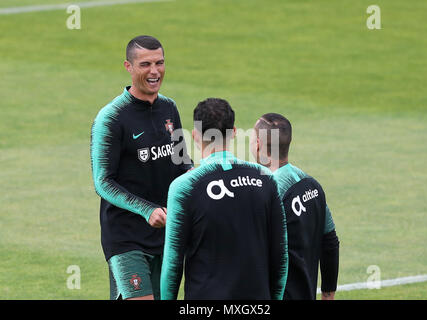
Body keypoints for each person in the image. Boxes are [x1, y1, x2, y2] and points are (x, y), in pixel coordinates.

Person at [90, 35, 192, 300]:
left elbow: (182, 163)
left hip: (166, 233)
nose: (154, 71)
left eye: (159, 63)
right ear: (129, 67)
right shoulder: (110, 118)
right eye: (145, 64)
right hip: (125, 237)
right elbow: (103, 181)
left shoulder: (169, 108)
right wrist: (147, 210)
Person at [160, 98, 288, 300]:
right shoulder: (266, 179)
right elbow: (281, 255)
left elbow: (173, 264)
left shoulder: (184, 187)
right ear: (234, 132)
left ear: (194, 136)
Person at [250, 113, 340, 300]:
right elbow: (330, 241)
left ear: (257, 144)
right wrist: (328, 294)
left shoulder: (267, 192)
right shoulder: (312, 184)